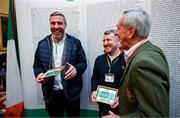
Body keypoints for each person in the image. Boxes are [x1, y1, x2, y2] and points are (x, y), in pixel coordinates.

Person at [103, 9, 170, 118]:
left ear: (131, 32)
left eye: (118, 28)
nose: (116, 33)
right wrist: (126, 99)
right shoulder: (151, 50)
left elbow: (154, 115)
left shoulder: (143, 63)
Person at [33, 11, 87, 117]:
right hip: (51, 94)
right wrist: (38, 74)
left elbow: (83, 63)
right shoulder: (42, 44)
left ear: (65, 25)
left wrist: (76, 69)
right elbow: (37, 65)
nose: (56, 26)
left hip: (72, 93)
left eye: (60, 23)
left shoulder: (75, 43)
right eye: (53, 23)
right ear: (50, 25)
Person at [91, 29, 126, 117]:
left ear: (118, 41)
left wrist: (122, 98)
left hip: (120, 105)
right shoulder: (99, 59)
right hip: (102, 105)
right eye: (104, 40)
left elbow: (131, 84)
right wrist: (94, 90)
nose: (105, 43)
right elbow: (94, 78)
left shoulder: (126, 60)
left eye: (108, 40)